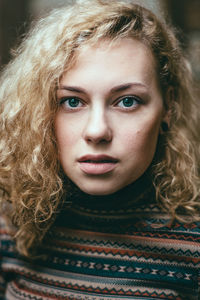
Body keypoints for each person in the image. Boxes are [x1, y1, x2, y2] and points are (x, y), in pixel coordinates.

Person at [0, 0, 200, 299]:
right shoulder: (12, 228)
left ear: (168, 107)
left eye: (127, 101)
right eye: (72, 101)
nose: (96, 131)